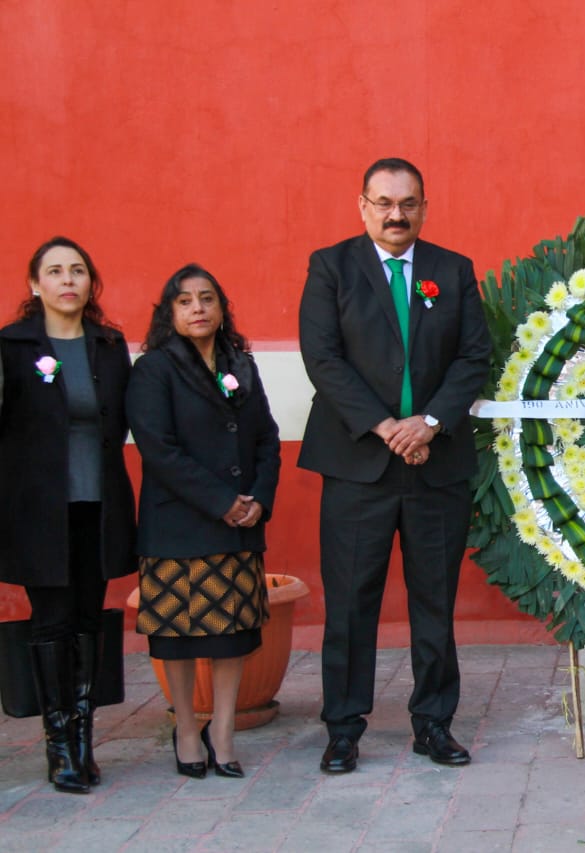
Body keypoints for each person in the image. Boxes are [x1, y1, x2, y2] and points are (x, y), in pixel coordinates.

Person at [298, 157, 491, 773]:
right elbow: (323, 358)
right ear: (362, 206)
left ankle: (434, 723)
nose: (396, 214)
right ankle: (344, 728)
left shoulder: (452, 270)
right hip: (359, 465)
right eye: (383, 202)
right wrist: (387, 427)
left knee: (434, 601)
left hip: (436, 464)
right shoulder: (332, 267)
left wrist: (428, 423)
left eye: (408, 203)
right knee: (351, 603)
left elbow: (473, 357)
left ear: (425, 208)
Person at [127, 265, 281, 780]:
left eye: (207, 299)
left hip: (238, 524)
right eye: (186, 301)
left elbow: (266, 439)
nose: (198, 308)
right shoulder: (154, 369)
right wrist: (222, 501)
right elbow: (159, 451)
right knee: (178, 637)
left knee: (230, 636)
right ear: (169, 312)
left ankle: (224, 732)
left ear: (221, 308)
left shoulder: (242, 364)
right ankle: (189, 731)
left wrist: (257, 498)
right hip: (177, 524)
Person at [0, 237, 135, 793]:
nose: (67, 280)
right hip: (38, 510)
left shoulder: (107, 344)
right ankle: (59, 747)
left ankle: (83, 737)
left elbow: (120, 420)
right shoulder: (11, 345)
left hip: (97, 502)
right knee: (51, 618)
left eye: (78, 270)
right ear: (36, 285)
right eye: (54, 271)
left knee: (88, 616)